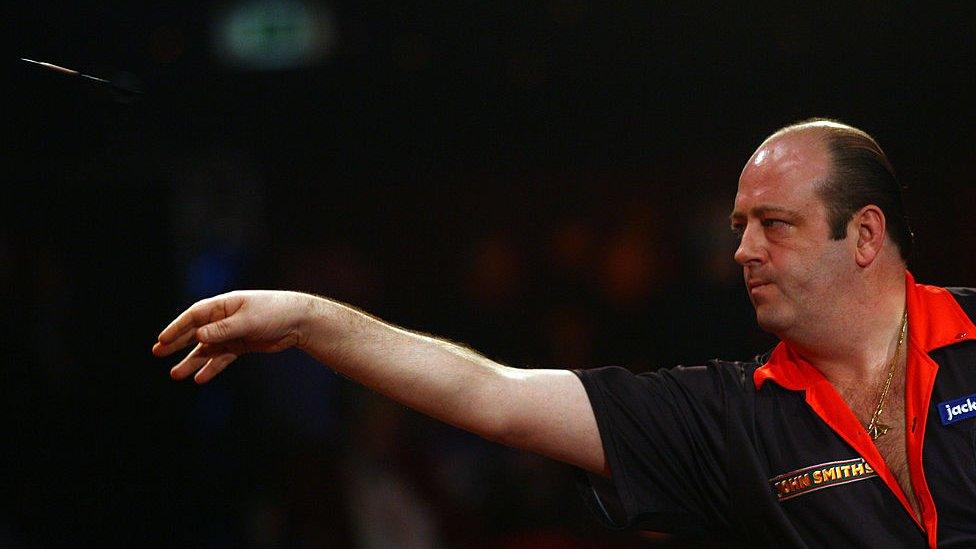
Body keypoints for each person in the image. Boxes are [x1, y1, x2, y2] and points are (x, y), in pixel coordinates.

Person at [153, 119, 976, 547]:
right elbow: (496, 397)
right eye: (738, 224)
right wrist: (311, 319)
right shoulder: (732, 414)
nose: (742, 250)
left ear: (865, 236)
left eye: (775, 224)